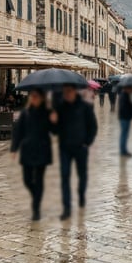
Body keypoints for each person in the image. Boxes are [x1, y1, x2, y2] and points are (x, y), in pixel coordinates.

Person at [50, 84, 98, 220]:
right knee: (65, 176)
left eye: (68, 92)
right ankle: (66, 208)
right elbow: (55, 131)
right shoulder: (60, 108)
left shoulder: (85, 107)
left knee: (82, 175)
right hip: (65, 147)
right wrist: (53, 122)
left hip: (80, 147)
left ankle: (81, 196)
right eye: (64, 92)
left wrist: (86, 143)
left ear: (74, 92)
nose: (66, 94)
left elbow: (93, 127)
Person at [10, 88, 54, 221]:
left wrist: (55, 120)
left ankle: (36, 209)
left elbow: (56, 131)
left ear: (41, 98)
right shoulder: (25, 113)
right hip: (27, 150)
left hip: (42, 149)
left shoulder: (47, 113)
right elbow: (18, 132)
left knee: (39, 180)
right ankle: (37, 196)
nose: (33, 99)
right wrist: (14, 148)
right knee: (27, 180)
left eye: (36, 96)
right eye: (32, 96)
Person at [117, 84, 132, 157]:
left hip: (125, 117)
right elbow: (125, 107)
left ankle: (123, 150)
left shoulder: (124, 95)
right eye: (131, 89)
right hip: (124, 117)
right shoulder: (124, 96)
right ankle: (123, 151)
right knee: (124, 134)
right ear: (127, 88)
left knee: (124, 134)